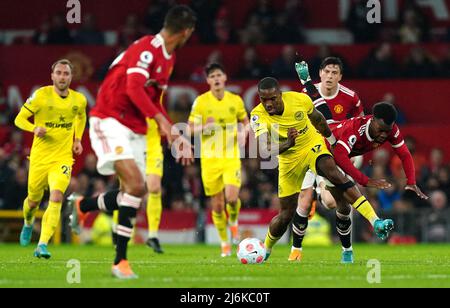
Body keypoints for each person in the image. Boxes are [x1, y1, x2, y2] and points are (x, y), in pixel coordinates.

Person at [68, 5, 196, 279]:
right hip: (110, 119)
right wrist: (162, 123)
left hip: (136, 128)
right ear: (186, 32)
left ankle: (82, 206)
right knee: (137, 185)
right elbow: (133, 88)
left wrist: (175, 132)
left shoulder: (169, 59)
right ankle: (120, 262)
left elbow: (153, 100)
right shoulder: (146, 47)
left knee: (133, 193)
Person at [250, 77, 394, 262]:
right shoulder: (257, 115)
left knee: (334, 174)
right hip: (288, 159)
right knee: (286, 214)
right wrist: (288, 143)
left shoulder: (299, 100)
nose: (268, 104)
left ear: (281, 94)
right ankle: (266, 249)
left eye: (273, 98)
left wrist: (333, 143)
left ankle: (376, 221)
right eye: (264, 99)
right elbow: (264, 149)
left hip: (312, 145)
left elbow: (318, 119)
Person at [291, 102, 428, 262]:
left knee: (342, 207)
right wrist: (365, 180)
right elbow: (340, 156)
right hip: (321, 153)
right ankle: (373, 221)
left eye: (387, 130)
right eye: (381, 129)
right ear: (373, 120)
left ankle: (347, 251)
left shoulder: (391, 129)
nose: (384, 134)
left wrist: (411, 181)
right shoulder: (355, 130)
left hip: (338, 158)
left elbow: (404, 154)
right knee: (330, 202)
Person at [15, 59, 87, 259]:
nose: (63, 77)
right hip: (39, 159)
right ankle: (28, 223)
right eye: (59, 73)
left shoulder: (79, 99)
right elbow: (19, 119)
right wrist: (33, 128)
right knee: (32, 202)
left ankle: (42, 244)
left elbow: (81, 116)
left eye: (66, 73)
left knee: (56, 197)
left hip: (63, 158)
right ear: (52, 76)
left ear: (71, 77)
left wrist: (78, 139)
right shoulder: (40, 96)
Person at [188, 63, 249, 257]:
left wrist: (244, 133)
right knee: (216, 204)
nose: (215, 78)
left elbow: (246, 123)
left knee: (231, 199)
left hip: (231, 156)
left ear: (224, 78)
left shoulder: (236, 100)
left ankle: (234, 222)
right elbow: (189, 128)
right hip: (210, 159)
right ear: (207, 81)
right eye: (212, 76)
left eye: (218, 75)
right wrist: (203, 128)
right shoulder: (201, 102)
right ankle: (224, 243)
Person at [299, 57, 365, 221]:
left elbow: (360, 126)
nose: (329, 76)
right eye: (326, 72)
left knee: (330, 203)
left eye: (334, 73)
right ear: (320, 73)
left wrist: (356, 151)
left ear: (340, 76)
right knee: (303, 205)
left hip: (335, 151)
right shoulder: (307, 93)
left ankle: (319, 188)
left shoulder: (350, 97)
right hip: (311, 148)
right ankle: (312, 193)